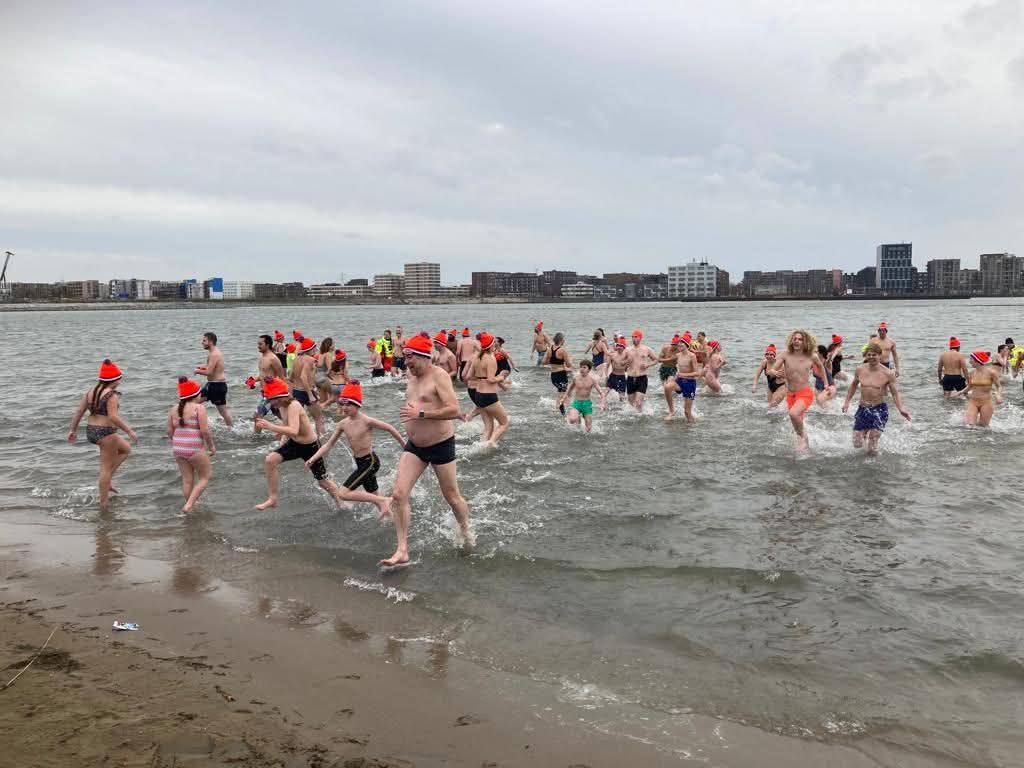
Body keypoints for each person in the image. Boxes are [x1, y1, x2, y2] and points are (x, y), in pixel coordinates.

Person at [383, 333, 472, 569]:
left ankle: (466, 532)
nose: (406, 363)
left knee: (452, 497)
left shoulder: (439, 376)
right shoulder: (411, 377)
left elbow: (454, 409)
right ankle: (402, 550)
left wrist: (421, 414)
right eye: (405, 358)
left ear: (423, 356)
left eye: (410, 358)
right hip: (415, 446)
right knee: (399, 494)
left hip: (440, 444)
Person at [304, 380, 398, 519]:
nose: (345, 407)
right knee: (373, 495)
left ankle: (384, 500)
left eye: (348, 404)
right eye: (343, 404)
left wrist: (404, 445)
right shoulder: (343, 424)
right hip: (360, 462)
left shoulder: (367, 421)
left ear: (357, 405)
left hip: (370, 462)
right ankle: (391, 518)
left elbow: (390, 428)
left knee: (343, 493)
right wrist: (313, 458)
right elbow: (328, 444)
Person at [253, 377, 348, 510]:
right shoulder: (281, 406)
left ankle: (342, 502)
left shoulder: (294, 405)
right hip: (295, 443)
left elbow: (293, 430)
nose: (269, 402)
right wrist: (281, 445)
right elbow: (286, 428)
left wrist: (270, 426)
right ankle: (273, 499)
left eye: (270, 399)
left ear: (279, 397)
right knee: (270, 460)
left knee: (323, 482)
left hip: (310, 446)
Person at [67, 359, 138, 508]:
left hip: (91, 431)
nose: (120, 381)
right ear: (114, 380)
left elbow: (79, 411)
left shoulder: (90, 392)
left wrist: (72, 430)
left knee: (126, 449)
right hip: (106, 433)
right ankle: (103, 503)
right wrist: (129, 431)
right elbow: (113, 417)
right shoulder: (111, 395)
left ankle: (107, 482)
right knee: (105, 468)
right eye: (119, 378)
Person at [841, 343, 911, 454]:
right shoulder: (860, 369)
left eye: (874, 355)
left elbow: (894, 393)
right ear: (866, 356)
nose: (871, 357)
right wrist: (846, 402)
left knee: (872, 445)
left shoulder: (888, 373)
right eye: (869, 355)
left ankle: (873, 461)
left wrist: (901, 408)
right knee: (857, 443)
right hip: (863, 409)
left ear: (879, 355)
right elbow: (853, 385)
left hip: (879, 410)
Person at [771, 329, 828, 451]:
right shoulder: (785, 354)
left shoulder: (811, 356)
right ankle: (803, 443)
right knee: (797, 420)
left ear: (804, 342)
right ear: (792, 340)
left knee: (793, 414)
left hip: (805, 393)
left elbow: (821, 367)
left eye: (800, 339)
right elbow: (771, 370)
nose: (797, 341)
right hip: (790, 394)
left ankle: (803, 436)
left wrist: (826, 383)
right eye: (795, 339)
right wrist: (774, 372)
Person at [167, 377, 216, 513]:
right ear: (195, 396)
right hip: (194, 447)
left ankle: (190, 505)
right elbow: (204, 431)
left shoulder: (174, 409)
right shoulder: (199, 408)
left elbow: (169, 431)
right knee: (205, 477)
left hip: (178, 448)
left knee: (187, 480)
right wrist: (211, 446)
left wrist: (178, 442)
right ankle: (189, 505)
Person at [465, 332, 510, 445]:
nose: (495, 344)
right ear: (490, 345)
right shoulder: (490, 358)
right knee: (504, 423)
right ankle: (490, 443)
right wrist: (500, 377)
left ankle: (482, 446)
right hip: (489, 396)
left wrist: (481, 378)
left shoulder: (476, 357)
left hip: (478, 395)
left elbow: (468, 376)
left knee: (489, 426)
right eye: (493, 343)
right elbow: (490, 379)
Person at [196, 331, 233, 426]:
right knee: (194, 402)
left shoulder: (214, 354)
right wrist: (202, 368)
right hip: (213, 384)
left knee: (223, 412)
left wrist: (197, 371)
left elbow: (209, 372)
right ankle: (195, 423)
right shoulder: (213, 352)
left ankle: (232, 428)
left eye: (204, 341)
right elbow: (212, 368)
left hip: (217, 386)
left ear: (211, 342)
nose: (202, 342)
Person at [290, 336, 324, 435]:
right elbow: (303, 377)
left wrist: (291, 393)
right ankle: (320, 440)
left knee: (297, 420)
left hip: (296, 391)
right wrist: (310, 395)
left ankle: (296, 439)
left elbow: (290, 377)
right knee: (319, 418)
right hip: (306, 392)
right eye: (315, 348)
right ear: (310, 349)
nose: (316, 350)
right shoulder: (310, 360)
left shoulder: (296, 359)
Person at [561, 360, 606, 432]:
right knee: (572, 420)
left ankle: (579, 418)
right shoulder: (576, 378)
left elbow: (602, 393)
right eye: (580, 367)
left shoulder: (592, 380)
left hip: (587, 404)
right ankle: (571, 417)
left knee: (588, 429)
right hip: (577, 403)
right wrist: (563, 398)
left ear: (589, 370)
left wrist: (603, 404)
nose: (581, 369)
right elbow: (569, 389)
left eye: (584, 367)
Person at [960, 350, 1002, 427]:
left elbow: (999, 386)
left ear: (977, 360)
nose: (969, 361)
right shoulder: (971, 373)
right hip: (973, 401)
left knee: (983, 427)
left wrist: (998, 395)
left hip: (986, 402)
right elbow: (970, 386)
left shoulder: (991, 373)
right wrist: (961, 392)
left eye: (971, 359)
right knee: (970, 426)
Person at [665, 336, 700, 422]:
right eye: (679, 343)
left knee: (687, 412)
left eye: (682, 343)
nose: (679, 344)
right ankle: (672, 411)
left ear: (687, 344)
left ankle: (692, 426)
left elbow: (697, 373)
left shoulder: (692, 356)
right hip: (680, 381)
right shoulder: (678, 355)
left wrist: (682, 374)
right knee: (667, 387)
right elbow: (668, 359)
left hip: (690, 383)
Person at [625, 329, 658, 410]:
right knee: (631, 405)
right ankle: (639, 415)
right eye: (632, 337)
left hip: (642, 378)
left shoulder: (646, 349)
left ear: (640, 338)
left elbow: (656, 360)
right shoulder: (627, 350)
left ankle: (642, 411)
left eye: (635, 337)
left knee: (638, 403)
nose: (633, 339)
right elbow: (621, 362)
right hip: (630, 378)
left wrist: (648, 365)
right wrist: (626, 362)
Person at [543, 332, 573, 415]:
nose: (564, 341)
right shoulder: (562, 350)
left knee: (561, 392)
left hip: (553, 375)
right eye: (564, 339)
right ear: (561, 340)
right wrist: (571, 359)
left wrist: (553, 361)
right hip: (561, 375)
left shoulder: (549, 349)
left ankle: (560, 409)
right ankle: (563, 413)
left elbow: (544, 362)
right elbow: (568, 365)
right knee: (563, 394)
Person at [606, 336, 629, 402]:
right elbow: (607, 365)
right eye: (618, 345)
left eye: (621, 346)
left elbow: (632, 362)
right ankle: (603, 405)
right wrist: (606, 375)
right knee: (605, 392)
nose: (619, 347)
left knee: (621, 397)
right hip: (612, 376)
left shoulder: (626, 355)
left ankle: (624, 406)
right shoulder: (612, 355)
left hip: (621, 377)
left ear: (624, 348)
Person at [316, 337, 335, 402]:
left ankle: (321, 407)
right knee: (336, 396)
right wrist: (333, 379)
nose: (334, 345)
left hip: (317, 379)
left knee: (323, 400)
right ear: (330, 346)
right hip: (323, 378)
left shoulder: (321, 354)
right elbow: (329, 368)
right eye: (333, 343)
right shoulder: (328, 354)